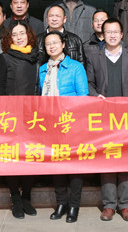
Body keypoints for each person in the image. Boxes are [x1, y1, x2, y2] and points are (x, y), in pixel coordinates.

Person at [86, 18, 128, 222]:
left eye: (115, 32)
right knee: (107, 161)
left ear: (121, 35)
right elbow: (89, 84)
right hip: (104, 117)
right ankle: (109, 205)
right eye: (108, 32)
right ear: (103, 35)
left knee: (127, 160)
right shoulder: (94, 57)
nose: (112, 35)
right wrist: (95, 96)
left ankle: (126, 205)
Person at [38, 31, 89, 223]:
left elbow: (83, 96)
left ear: (63, 44)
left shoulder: (75, 67)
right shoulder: (42, 69)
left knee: (75, 166)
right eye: (48, 44)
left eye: (55, 42)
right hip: (51, 124)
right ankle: (61, 203)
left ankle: (74, 205)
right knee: (56, 164)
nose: (51, 46)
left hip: (72, 123)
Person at [0, 20, 39, 219]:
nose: (19, 37)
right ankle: (15, 198)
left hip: (33, 117)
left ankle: (27, 197)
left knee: (30, 158)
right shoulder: (4, 58)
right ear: (9, 38)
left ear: (29, 36)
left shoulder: (36, 57)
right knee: (12, 158)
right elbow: (0, 90)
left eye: (22, 33)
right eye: (15, 34)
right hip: (11, 117)